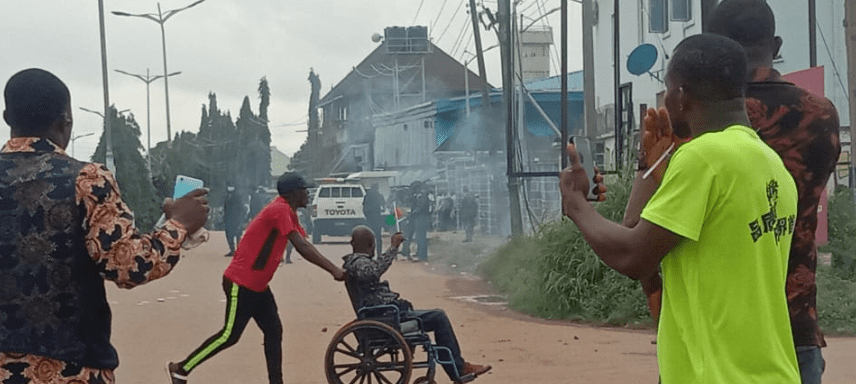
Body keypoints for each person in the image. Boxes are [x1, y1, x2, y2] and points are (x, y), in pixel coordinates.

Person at [560, 34, 801, 383]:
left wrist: (576, 204)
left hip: (718, 376)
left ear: (682, 96)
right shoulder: (771, 164)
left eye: (669, 89)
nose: (666, 100)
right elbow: (637, 232)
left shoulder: (703, 157)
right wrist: (650, 168)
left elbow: (633, 257)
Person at [0, 68, 209, 384]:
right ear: (65, 122)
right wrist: (179, 223)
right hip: (72, 369)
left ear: (6, 117)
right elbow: (128, 266)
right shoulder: (86, 180)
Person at [167, 173, 346, 384]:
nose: (308, 194)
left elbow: (304, 243)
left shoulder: (287, 211)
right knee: (229, 335)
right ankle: (181, 369)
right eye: (304, 190)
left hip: (258, 286)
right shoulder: (279, 209)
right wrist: (334, 270)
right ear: (293, 193)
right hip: (241, 283)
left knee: (273, 330)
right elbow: (303, 246)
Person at [342, 226, 492, 383]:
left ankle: (457, 367)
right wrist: (393, 248)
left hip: (386, 315)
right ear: (370, 244)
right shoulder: (358, 263)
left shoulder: (355, 263)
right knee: (439, 317)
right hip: (386, 317)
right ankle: (459, 368)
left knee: (431, 315)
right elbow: (373, 272)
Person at [362, 183, 386, 255]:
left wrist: (366, 215)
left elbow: (364, 207)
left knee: (369, 236)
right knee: (378, 236)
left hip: (369, 218)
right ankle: (379, 253)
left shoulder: (367, 196)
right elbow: (384, 207)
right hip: (377, 217)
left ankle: (369, 252)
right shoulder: (379, 195)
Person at [223, 185, 246, 257]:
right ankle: (232, 250)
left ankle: (239, 251)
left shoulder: (238, 198)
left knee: (237, 235)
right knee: (229, 235)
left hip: (236, 219)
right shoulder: (227, 197)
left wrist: (241, 219)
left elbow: (242, 209)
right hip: (228, 219)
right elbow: (225, 208)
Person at [412, 183, 432, 261]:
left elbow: (420, 209)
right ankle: (422, 255)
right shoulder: (425, 198)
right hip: (424, 219)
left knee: (420, 238)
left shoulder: (423, 198)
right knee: (421, 237)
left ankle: (422, 255)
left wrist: (413, 212)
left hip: (421, 219)